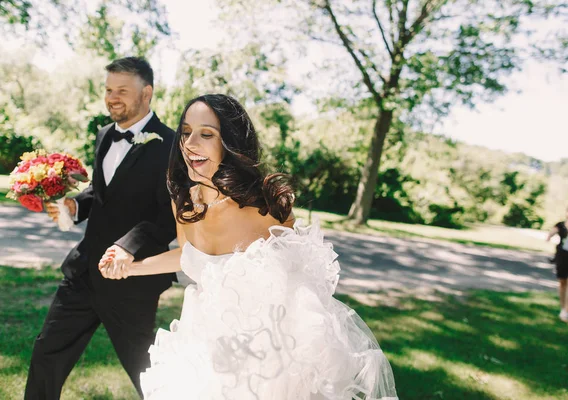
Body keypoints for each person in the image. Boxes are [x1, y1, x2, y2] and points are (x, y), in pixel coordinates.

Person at [99, 94, 398, 399]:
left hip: (266, 353)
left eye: (206, 134)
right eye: (186, 132)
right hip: (202, 344)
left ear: (230, 142)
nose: (189, 144)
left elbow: (301, 278)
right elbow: (187, 256)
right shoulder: (186, 204)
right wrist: (131, 268)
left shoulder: (265, 205)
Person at [25, 57, 177, 399]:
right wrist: (75, 205)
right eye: (108, 90)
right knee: (47, 353)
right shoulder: (105, 135)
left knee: (145, 371)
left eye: (122, 90)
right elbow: (103, 191)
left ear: (147, 93)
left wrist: (128, 246)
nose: (112, 97)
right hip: (83, 271)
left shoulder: (171, 147)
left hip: (131, 280)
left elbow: (167, 216)